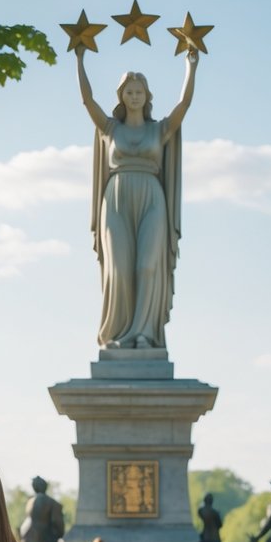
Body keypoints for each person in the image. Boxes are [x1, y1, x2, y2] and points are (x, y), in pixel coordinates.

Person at [76, 43, 198, 350]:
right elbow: (87, 100)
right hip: (116, 199)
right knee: (119, 268)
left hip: (152, 199)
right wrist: (80, 60)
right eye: (129, 92)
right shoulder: (109, 128)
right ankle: (117, 334)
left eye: (139, 92)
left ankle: (144, 333)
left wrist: (191, 65)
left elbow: (183, 104)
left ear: (146, 97)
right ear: (121, 96)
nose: (134, 96)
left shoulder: (159, 130)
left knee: (147, 265)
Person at [18, 476, 65, 542]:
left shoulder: (30, 500)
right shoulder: (51, 502)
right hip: (37, 534)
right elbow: (58, 522)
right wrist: (59, 535)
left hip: (25, 531)